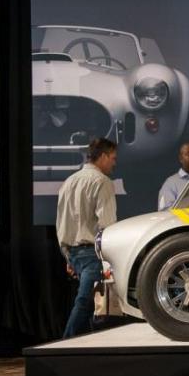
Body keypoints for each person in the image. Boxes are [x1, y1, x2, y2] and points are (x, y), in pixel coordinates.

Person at [56, 138, 118, 339]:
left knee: (96, 309)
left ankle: (96, 351)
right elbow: (107, 225)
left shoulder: (68, 181)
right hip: (93, 253)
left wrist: (68, 257)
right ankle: (63, 348)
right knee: (87, 303)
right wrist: (111, 257)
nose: (114, 163)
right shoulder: (102, 182)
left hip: (74, 253)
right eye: (113, 158)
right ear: (103, 156)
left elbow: (62, 224)